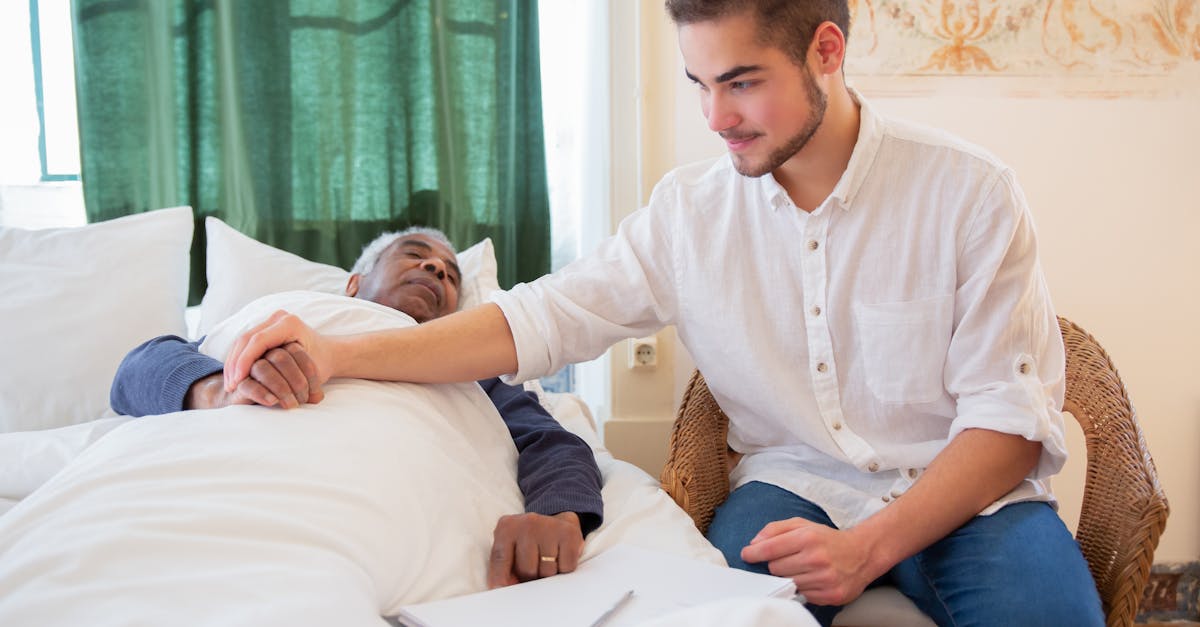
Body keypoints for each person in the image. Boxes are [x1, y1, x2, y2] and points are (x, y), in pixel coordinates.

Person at [220, 1, 1104, 624]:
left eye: (743, 83)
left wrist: (872, 546)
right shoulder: (689, 215)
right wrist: (340, 352)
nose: (716, 117)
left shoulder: (970, 192)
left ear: (827, 51)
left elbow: (1008, 425)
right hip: (792, 492)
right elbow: (536, 320)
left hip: (973, 501)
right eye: (699, 83)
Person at [109, 226, 603, 590]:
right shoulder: (285, 315)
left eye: (451, 274)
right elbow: (136, 371)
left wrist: (558, 514)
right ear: (352, 284)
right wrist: (218, 388)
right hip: (225, 479)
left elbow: (551, 441)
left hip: (377, 508)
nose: (435, 269)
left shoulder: (474, 371)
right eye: (416, 255)